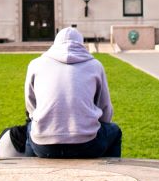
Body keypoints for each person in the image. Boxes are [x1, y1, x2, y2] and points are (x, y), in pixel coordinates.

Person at [23, 27, 122, 158]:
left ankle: (29, 171)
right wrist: (101, 124)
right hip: (87, 144)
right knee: (114, 131)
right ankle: (112, 173)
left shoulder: (36, 64)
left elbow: (30, 104)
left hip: (44, 146)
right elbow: (104, 106)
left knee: (31, 129)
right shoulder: (95, 65)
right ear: (81, 44)